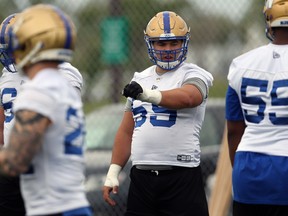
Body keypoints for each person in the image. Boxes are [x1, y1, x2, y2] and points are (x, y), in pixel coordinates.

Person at [103, 11, 213, 216]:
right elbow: (127, 131)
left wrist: (148, 95)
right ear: (150, 44)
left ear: (185, 42)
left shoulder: (194, 73)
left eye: (174, 43)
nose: (168, 49)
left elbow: (189, 97)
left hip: (181, 176)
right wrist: (113, 171)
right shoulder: (140, 78)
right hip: (141, 179)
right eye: (161, 44)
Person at [0, 4, 92, 216]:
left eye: (17, 46)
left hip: (53, 203)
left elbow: (16, 159)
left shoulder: (42, 89)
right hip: (64, 198)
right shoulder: (56, 83)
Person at [225, 0, 288, 215]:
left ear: (270, 20)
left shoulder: (242, 64)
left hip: (249, 169)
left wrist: (240, 171)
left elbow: (234, 131)